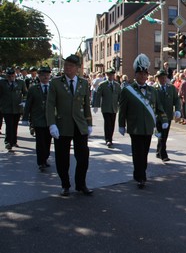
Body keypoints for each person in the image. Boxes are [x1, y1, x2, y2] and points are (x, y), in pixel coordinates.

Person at [118, 54, 168, 189]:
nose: (142, 76)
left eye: (144, 74)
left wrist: (163, 119)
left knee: (145, 152)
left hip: (148, 127)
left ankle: (142, 172)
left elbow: (159, 107)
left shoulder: (153, 91)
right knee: (137, 152)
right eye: (139, 74)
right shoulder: (128, 91)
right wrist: (121, 125)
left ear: (147, 76)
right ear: (135, 75)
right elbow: (122, 109)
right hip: (135, 126)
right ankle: (140, 176)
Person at [46, 55, 93, 196]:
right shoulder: (55, 83)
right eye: (66, 65)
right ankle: (65, 184)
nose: (68, 68)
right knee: (62, 158)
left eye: (71, 66)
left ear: (77, 68)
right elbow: (50, 105)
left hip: (79, 125)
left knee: (83, 156)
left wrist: (89, 123)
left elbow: (86, 106)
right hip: (62, 125)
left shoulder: (83, 83)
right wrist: (52, 124)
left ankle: (81, 184)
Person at [22, 66, 53, 171]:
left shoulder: (53, 88)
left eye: (47, 75)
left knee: (48, 140)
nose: (45, 77)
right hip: (38, 119)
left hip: (50, 119)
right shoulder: (33, 89)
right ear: (39, 77)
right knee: (40, 141)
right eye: (43, 75)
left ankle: (45, 157)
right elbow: (28, 104)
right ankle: (41, 162)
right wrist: (25, 118)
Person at [153, 69, 181, 162]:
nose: (163, 79)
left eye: (164, 77)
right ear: (158, 78)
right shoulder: (154, 88)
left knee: (164, 135)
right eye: (161, 77)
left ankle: (158, 151)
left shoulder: (171, 88)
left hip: (168, 116)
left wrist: (177, 110)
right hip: (158, 116)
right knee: (162, 135)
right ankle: (163, 155)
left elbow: (176, 100)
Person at [93, 68, 121, 148]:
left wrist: (121, 106)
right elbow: (98, 95)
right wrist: (96, 105)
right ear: (106, 75)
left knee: (112, 124)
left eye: (112, 75)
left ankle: (110, 138)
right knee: (107, 123)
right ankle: (108, 139)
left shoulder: (117, 85)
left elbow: (120, 96)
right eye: (109, 75)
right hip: (106, 107)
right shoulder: (103, 84)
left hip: (114, 108)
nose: (110, 76)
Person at [0, 67, 27, 151]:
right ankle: (8, 142)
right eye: (9, 76)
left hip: (17, 108)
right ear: (6, 76)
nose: (11, 78)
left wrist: (24, 102)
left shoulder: (20, 83)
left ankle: (14, 141)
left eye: (12, 76)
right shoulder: (2, 83)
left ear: (14, 75)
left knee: (15, 125)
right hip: (6, 108)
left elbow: (25, 93)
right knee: (9, 125)